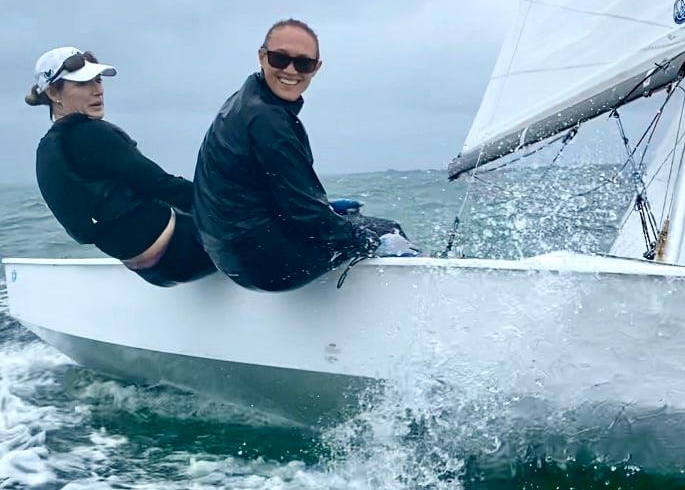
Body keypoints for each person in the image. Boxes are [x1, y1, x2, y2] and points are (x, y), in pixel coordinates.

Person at [193, 19, 417, 292]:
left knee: (348, 222)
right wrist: (369, 241)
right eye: (280, 58)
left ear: (316, 68)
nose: (290, 70)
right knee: (387, 229)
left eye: (303, 63)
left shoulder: (243, 101)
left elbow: (257, 190)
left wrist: (327, 211)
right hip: (265, 266)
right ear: (262, 56)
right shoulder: (269, 121)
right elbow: (306, 213)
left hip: (228, 255)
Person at [25, 47, 215, 287]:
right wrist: (225, 206)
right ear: (53, 92)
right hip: (184, 251)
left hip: (151, 270)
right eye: (83, 83)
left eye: (98, 80)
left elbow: (81, 231)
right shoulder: (90, 134)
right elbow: (161, 185)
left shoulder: (47, 149)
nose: (98, 90)